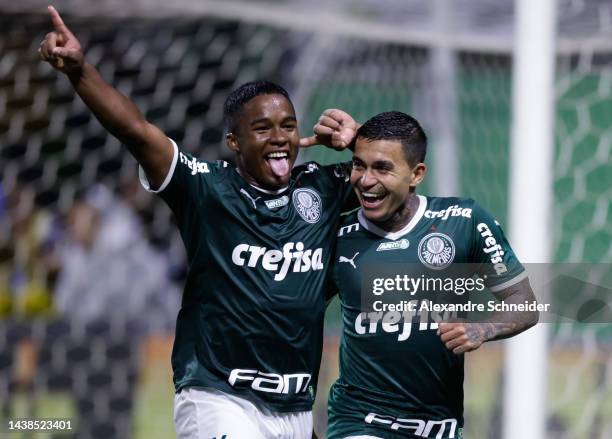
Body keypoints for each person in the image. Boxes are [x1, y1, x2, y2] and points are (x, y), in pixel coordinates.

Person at [38, 6, 359, 439]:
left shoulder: (321, 187)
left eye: (287, 126)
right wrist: (80, 71)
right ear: (233, 142)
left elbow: (398, 176)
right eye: (261, 128)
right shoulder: (207, 188)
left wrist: (358, 142)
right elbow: (137, 130)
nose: (279, 136)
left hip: (296, 409)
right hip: (219, 398)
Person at [323, 111, 539, 439]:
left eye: (382, 168)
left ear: (416, 174)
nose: (365, 180)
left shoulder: (464, 221)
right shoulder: (338, 234)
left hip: (440, 427)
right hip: (360, 421)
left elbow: (524, 302)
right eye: (359, 165)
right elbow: (298, 313)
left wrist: (482, 328)